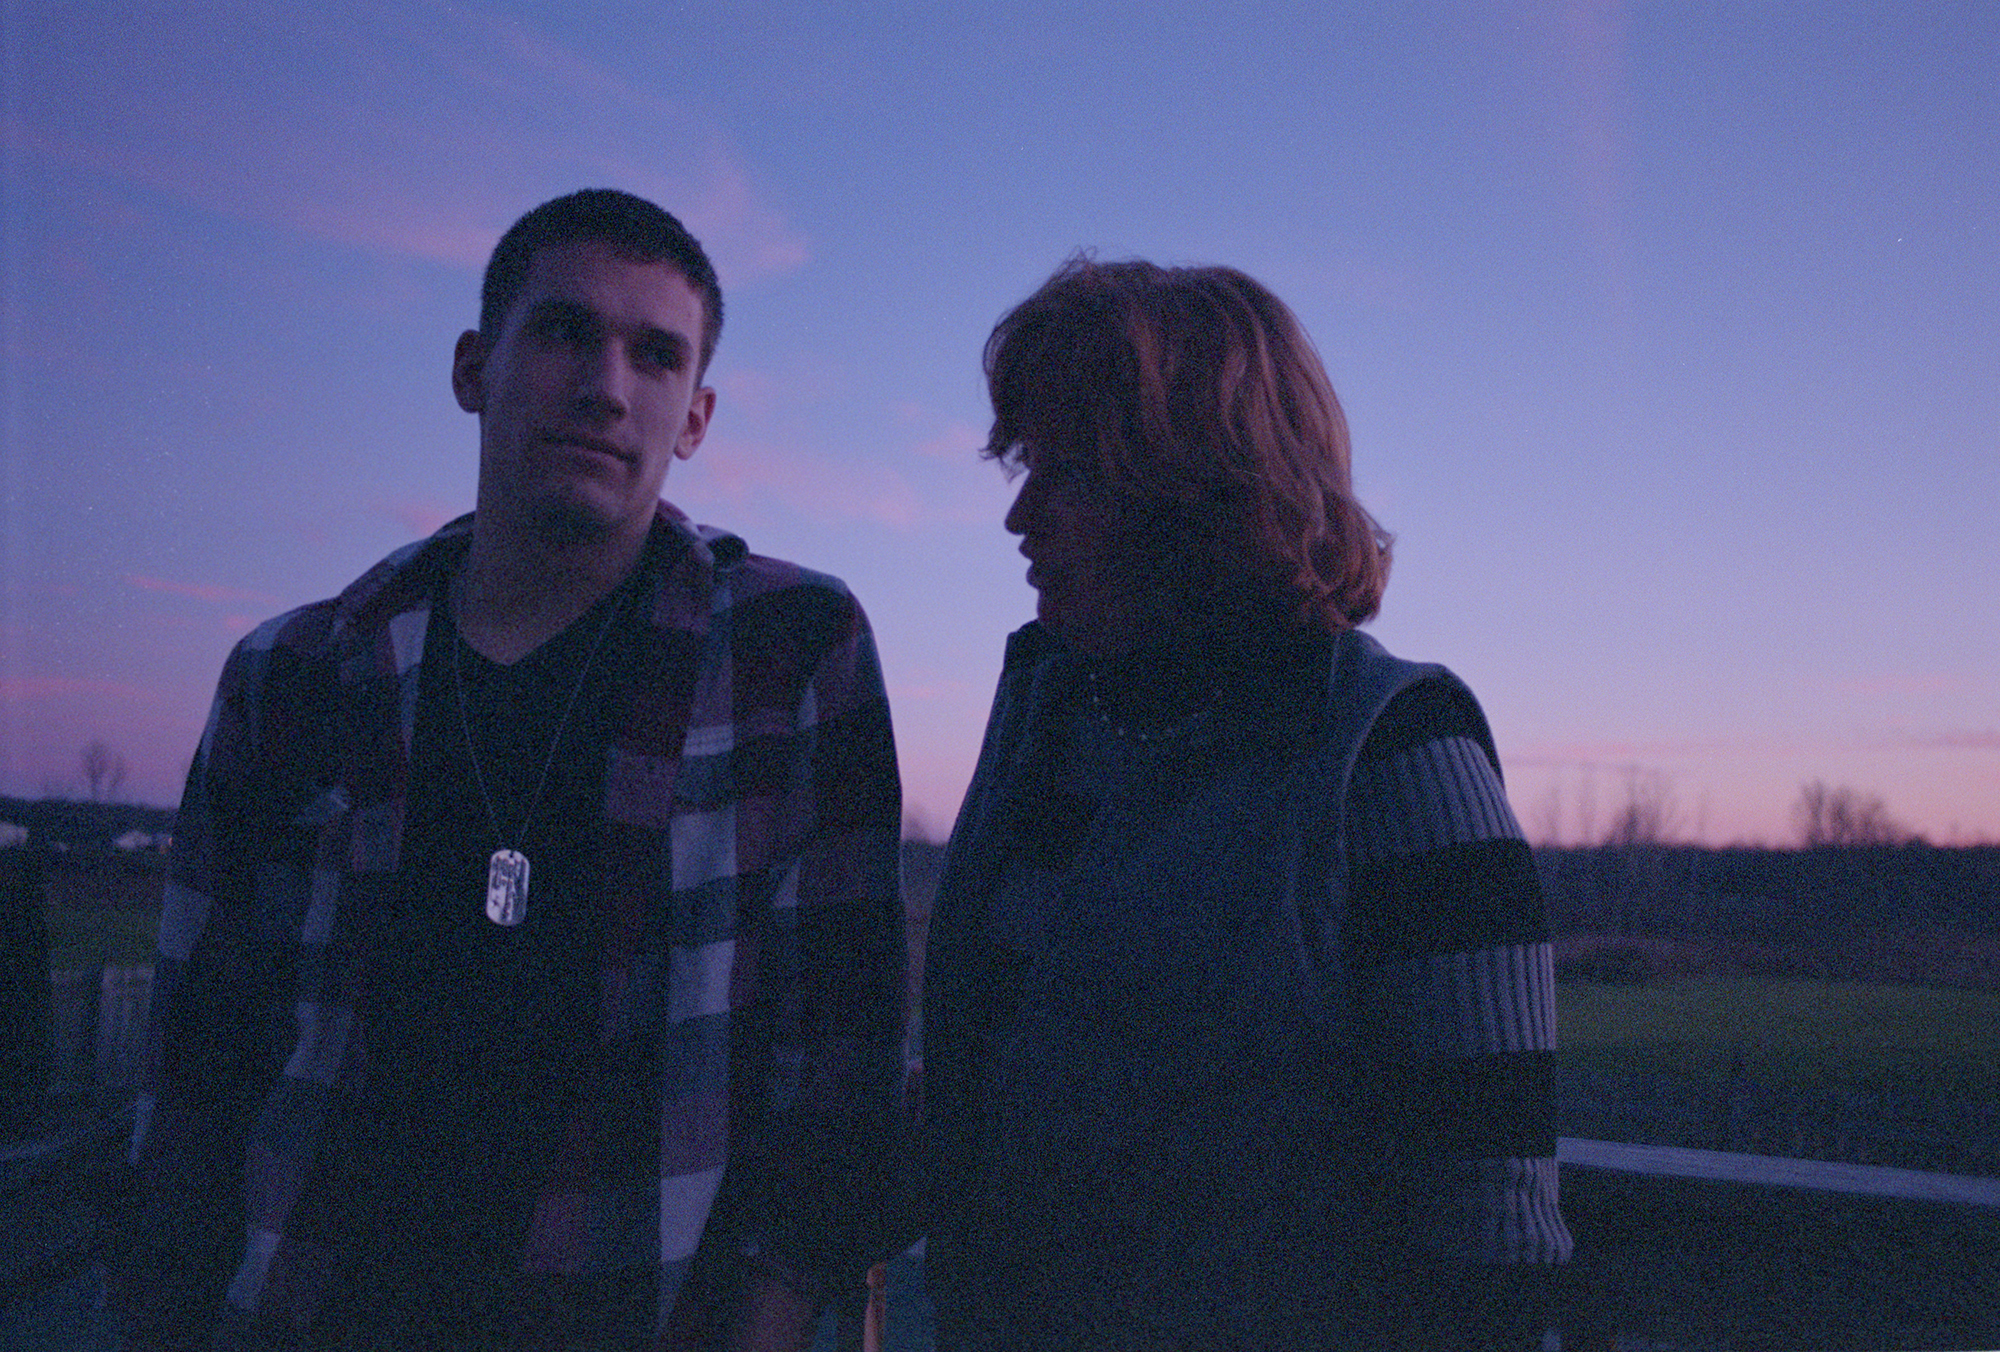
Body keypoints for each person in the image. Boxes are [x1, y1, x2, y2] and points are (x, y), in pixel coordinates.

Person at [110, 189, 910, 1351]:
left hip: (638, 1308)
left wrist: (767, 1320)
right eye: (563, 333)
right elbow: (198, 1061)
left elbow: (841, 1056)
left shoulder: (789, 652)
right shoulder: (295, 674)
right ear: (473, 367)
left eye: (654, 355)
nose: (605, 385)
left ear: (695, 416)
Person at [922, 257, 1574, 1350]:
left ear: (1200, 488)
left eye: (1068, 468)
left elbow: (1493, 1243)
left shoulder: (1393, 752)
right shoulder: (1045, 725)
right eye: (1024, 464)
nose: (1020, 515)